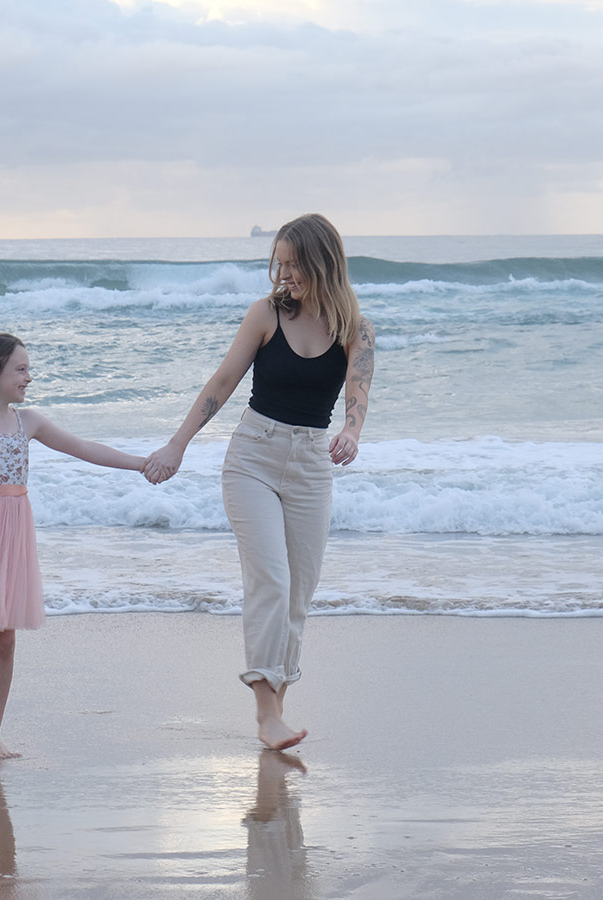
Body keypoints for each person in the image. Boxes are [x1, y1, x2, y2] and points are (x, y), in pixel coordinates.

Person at [143, 213, 375, 751]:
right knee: (270, 579)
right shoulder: (266, 314)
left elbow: (358, 393)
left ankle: (278, 708)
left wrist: (353, 432)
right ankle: (266, 713)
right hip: (253, 457)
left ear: (321, 262)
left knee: (299, 592)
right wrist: (177, 444)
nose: (283, 273)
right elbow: (223, 381)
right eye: (280, 263)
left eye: (293, 263)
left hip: (312, 463)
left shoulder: (356, 327)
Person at [0, 332, 145, 758]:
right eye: (20, 369)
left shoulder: (30, 422)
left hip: (11, 536)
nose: (28, 377)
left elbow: (84, 449)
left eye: (28, 369)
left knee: (4, 640)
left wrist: (141, 464)